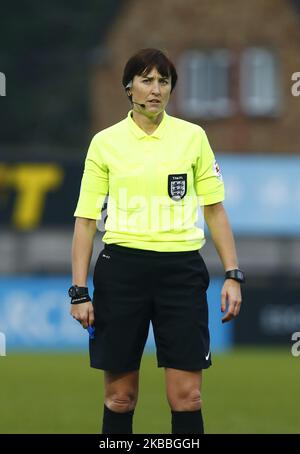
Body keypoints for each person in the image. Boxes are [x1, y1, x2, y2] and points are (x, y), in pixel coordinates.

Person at [69, 48, 244, 435]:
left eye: (163, 81)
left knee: (188, 398)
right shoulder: (105, 143)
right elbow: (85, 220)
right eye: (146, 80)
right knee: (120, 398)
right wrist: (79, 292)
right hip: (122, 272)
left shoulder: (193, 137)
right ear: (128, 88)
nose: (156, 89)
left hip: (181, 272)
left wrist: (233, 273)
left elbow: (215, 210)